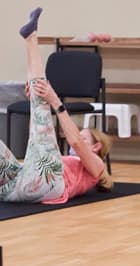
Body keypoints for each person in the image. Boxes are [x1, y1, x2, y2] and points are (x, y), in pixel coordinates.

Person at [0, 8, 113, 204]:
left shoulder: (96, 166)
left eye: (84, 135)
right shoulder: (60, 159)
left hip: (45, 185)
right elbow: (35, 141)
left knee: (42, 96)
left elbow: (76, 142)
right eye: (81, 133)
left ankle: (31, 38)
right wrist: (36, 104)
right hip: (17, 185)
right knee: (39, 101)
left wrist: (55, 102)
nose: (76, 137)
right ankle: (30, 37)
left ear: (96, 147)